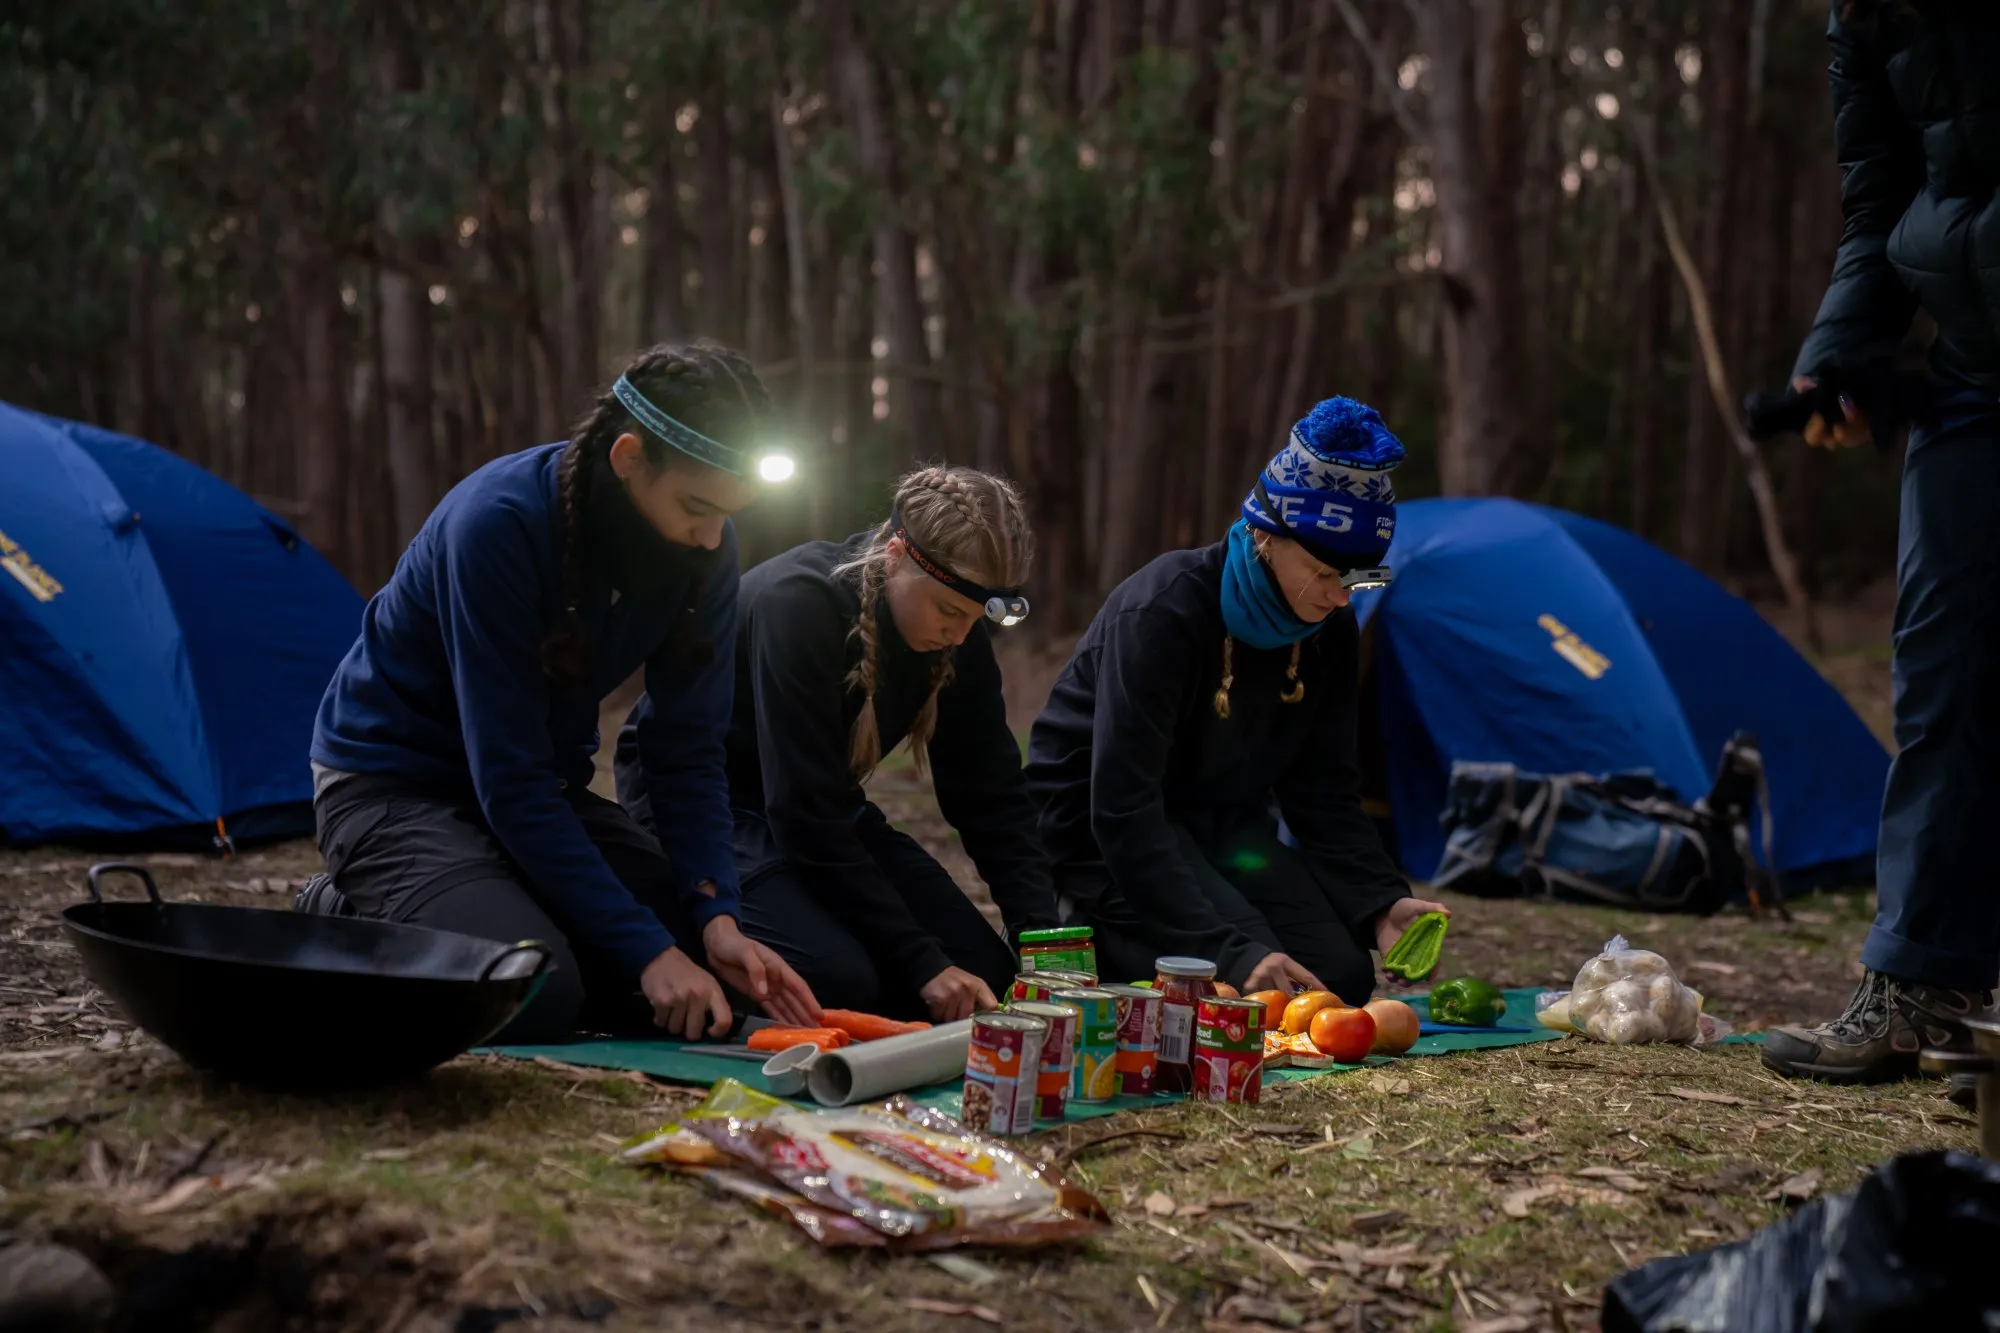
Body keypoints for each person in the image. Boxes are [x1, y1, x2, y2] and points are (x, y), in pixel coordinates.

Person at [299, 341, 820, 1045]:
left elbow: (686, 751)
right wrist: (646, 950)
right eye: (696, 507)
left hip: (536, 798)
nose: (710, 539)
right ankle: (343, 906)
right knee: (537, 991)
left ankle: (486, 902)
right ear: (629, 457)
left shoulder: (706, 549)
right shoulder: (498, 524)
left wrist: (714, 913)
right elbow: (508, 779)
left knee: (706, 971)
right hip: (393, 789)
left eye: (728, 514)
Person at [1756, 1, 1999, 1106]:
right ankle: (1921, 986)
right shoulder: (1860, 16)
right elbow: (1880, 206)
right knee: (1941, 668)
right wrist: (1837, 358)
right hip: (1970, 366)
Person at [1024, 398, 1448, 1003]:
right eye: (1328, 573)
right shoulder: (1164, 610)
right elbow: (1121, 805)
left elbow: (1323, 789)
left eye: (1363, 579)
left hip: (1223, 830)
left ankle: (1196, 939)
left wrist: (1381, 901)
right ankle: (1089, 919)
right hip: (1103, 829)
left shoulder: (1330, 628)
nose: (1341, 598)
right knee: (1242, 983)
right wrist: (1232, 949)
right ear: (1268, 535)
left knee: (1340, 979)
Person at [616, 466, 1061, 1022]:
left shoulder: (955, 635)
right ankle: (656, 938)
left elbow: (990, 794)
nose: (960, 634)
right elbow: (802, 813)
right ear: (897, 555)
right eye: (949, 612)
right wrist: (919, 962)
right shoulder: (799, 605)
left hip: (818, 805)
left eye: (977, 619)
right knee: (840, 978)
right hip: (706, 801)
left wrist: (1048, 943)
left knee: (983, 970)